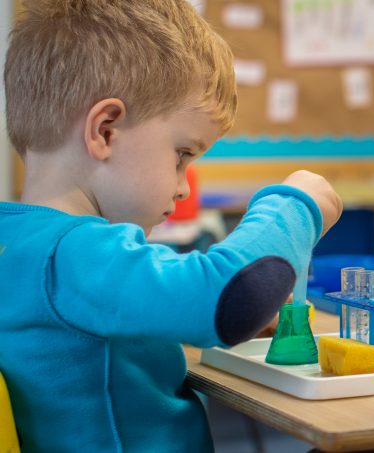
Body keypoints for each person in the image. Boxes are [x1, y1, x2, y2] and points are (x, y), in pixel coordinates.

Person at [0, 1, 342, 450]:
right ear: (105, 130)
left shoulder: (24, 243)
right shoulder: (73, 253)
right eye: (182, 154)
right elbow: (234, 295)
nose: (183, 188)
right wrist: (297, 205)